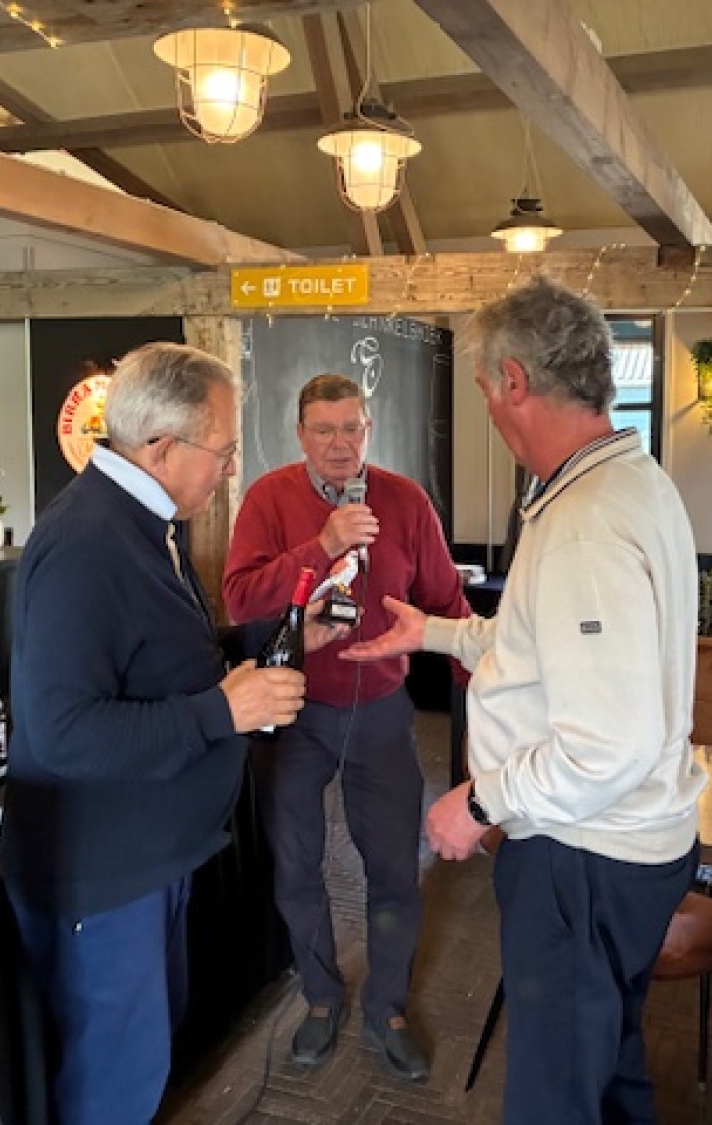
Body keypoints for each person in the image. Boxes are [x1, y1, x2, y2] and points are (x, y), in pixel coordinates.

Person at [343, 277, 707, 1124]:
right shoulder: (623, 480)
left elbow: (608, 746)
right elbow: (541, 651)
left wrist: (479, 801)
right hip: (624, 847)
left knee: (555, 1094)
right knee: (607, 1065)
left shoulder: (585, 523)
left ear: (514, 381)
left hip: (585, 854)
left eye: (482, 387)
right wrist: (436, 632)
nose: (487, 407)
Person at [0, 342, 342, 1125]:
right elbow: (62, 731)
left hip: (150, 859)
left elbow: (164, 660)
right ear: (160, 447)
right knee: (111, 1088)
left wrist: (276, 641)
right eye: (223, 450)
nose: (230, 469)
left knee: (140, 1066)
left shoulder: (146, 521)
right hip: (101, 874)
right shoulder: (87, 542)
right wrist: (223, 711)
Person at [223, 373, 470, 1081]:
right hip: (293, 709)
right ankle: (322, 995)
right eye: (324, 430)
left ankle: (387, 1007)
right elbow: (240, 601)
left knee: (393, 868)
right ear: (301, 434)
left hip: (383, 712)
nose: (340, 444)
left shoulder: (406, 500)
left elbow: (448, 603)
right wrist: (320, 545)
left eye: (352, 428)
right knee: (296, 864)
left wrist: (484, 705)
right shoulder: (268, 498)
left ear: (369, 430)